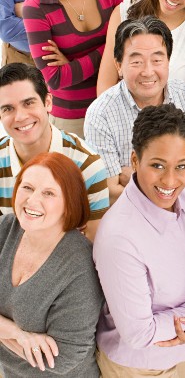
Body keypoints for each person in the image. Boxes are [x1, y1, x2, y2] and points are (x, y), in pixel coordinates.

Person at [93, 104, 185, 377]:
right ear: (135, 161)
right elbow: (140, 333)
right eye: (157, 165)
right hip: (140, 365)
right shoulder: (118, 237)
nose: (170, 180)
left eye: (181, 166)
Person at [84, 17, 185, 203]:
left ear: (168, 61)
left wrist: (134, 174)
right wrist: (183, 165)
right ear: (118, 65)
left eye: (157, 60)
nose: (148, 71)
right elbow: (110, 190)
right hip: (134, 221)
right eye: (136, 62)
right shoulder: (100, 114)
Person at [0, 152, 103, 377]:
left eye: (48, 193)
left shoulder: (79, 265)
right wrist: (18, 335)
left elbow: (63, 359)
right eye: (27, 187)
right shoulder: (5, 229)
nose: (32, 200)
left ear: (69, 203)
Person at [22, 0, 127, 137]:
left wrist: (73, 64)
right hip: (71, 118)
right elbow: (56, 78)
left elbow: (130, 49)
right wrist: (111, 48)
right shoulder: (36, 7)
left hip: (118, 107)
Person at [0, 63, 109, 241]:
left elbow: (93, 242)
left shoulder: (88, 165)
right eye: (8, 109)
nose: (20, 116)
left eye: (28, 103)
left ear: (48, 102)